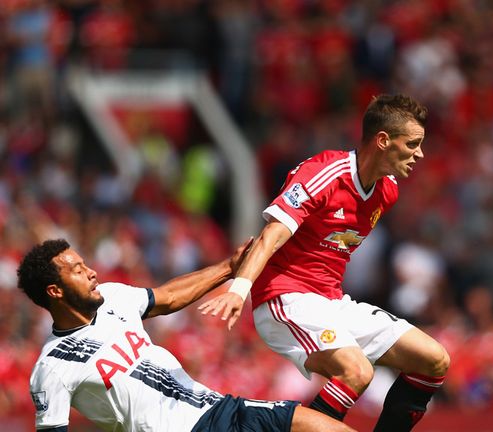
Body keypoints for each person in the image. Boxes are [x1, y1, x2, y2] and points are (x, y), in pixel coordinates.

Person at [199, 94, 450, 431]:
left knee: (434, 360)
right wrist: (239, 288)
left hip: (329, 301)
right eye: (413, 144)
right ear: (383, 140)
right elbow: (271, 235)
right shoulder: (324, 174)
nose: (419, 154)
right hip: (283, 298)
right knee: (357, 371)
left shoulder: (386, 192)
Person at [17, 238, 355, 432]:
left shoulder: (113, 297)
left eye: (85, 264)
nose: (91, 272)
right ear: (55, 291)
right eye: (77, 271)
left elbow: (167, 297)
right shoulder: (52, 368)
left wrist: (228, 268)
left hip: (220, 407)